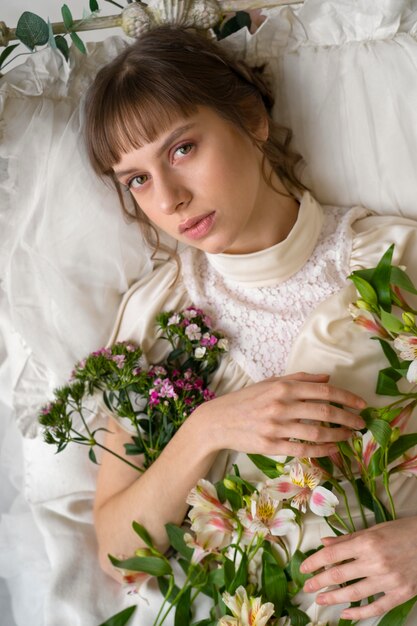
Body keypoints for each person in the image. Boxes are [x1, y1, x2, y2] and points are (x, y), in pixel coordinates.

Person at [84, 25, 417, 624]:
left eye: (182, 149)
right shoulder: (154, 318)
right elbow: (119, 554)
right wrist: (206, 429)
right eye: (136, 179)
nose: (168, 198)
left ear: (251, 118)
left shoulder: (396, 262)